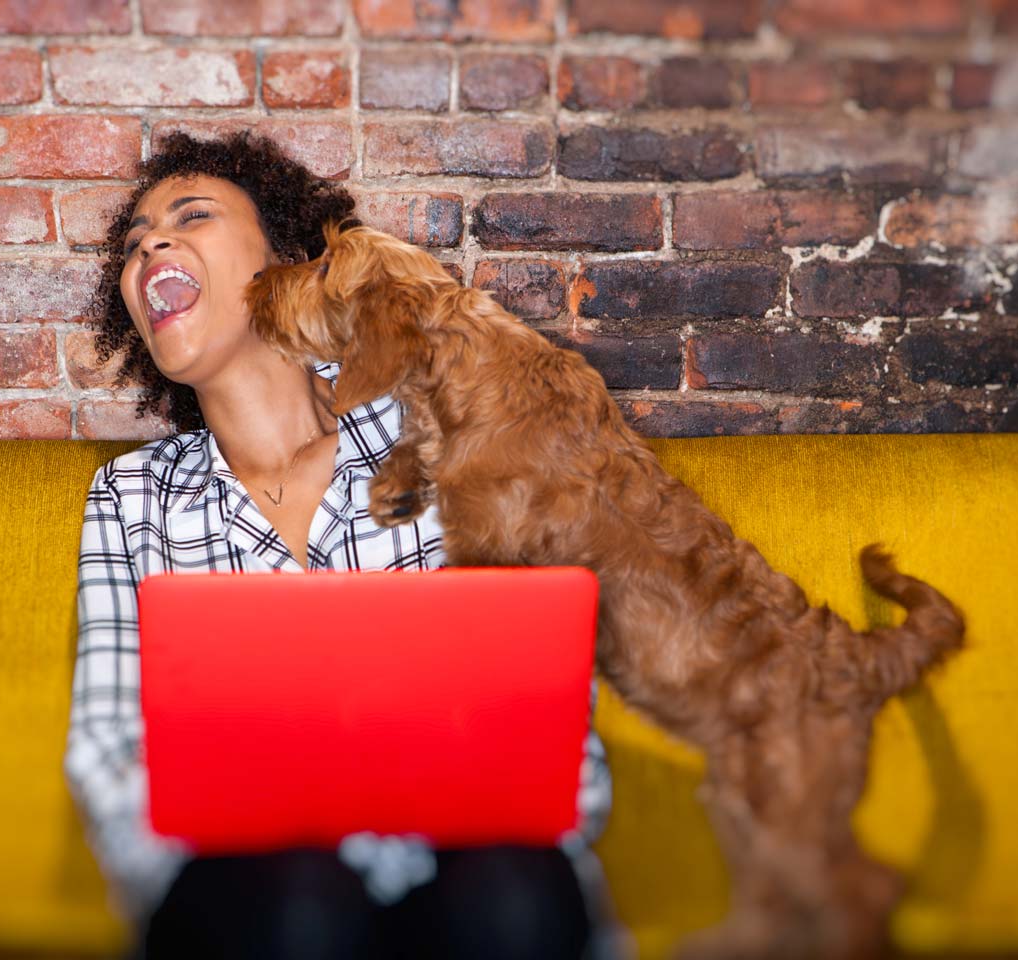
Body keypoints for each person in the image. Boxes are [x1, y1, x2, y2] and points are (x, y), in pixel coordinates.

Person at [64, 130, 616, 959]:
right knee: (304, 905)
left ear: (289, 259)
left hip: (462, 875)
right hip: (256, 894)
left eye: (191, 218)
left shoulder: (447, 442)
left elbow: (559, 744)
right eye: (136, 243)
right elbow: (108, 755)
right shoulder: (128, 497)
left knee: (514, 901)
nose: (152, 246)